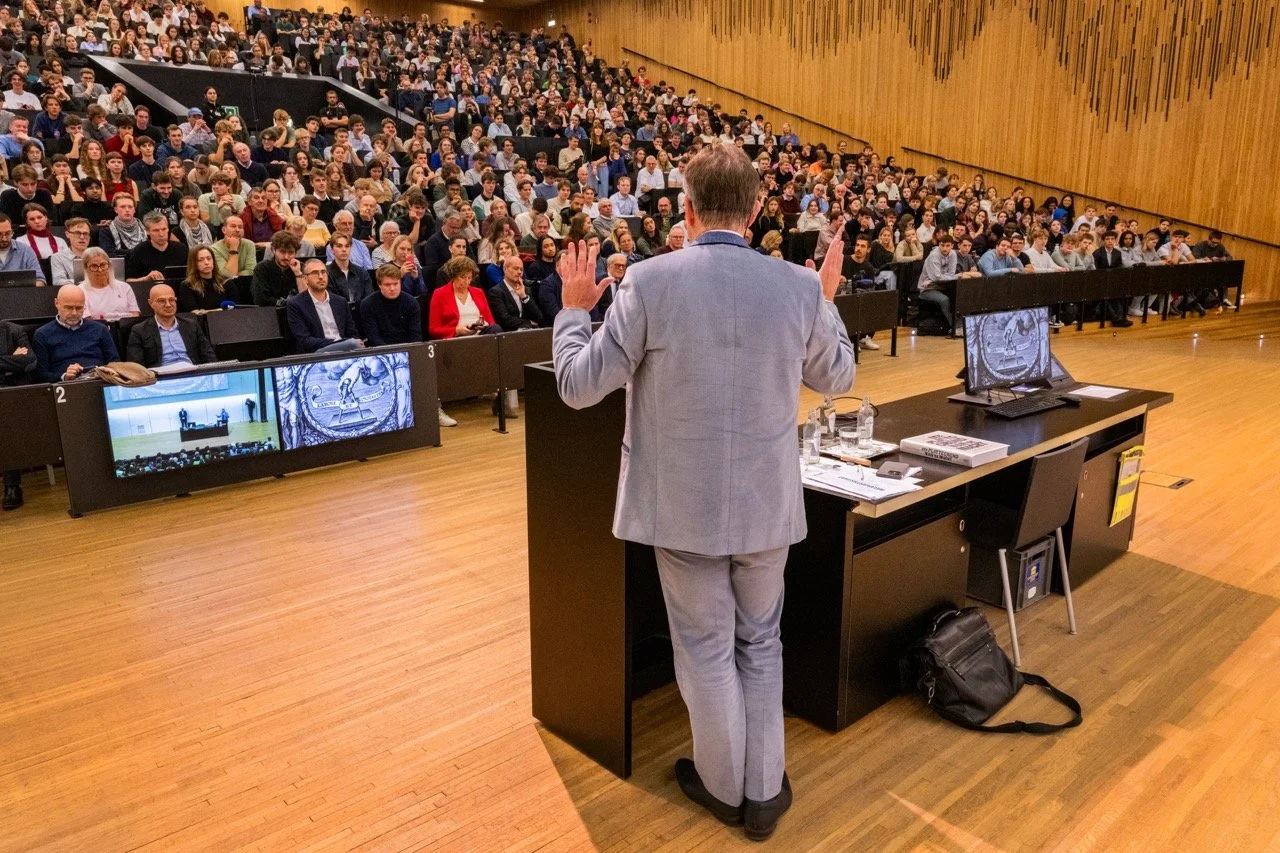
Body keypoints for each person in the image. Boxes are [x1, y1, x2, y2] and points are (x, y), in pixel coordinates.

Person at [550, 144, 855, 842]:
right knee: (762, 642)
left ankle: (725, 791)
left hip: (681, 511)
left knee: (708, 649)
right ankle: (764, 790)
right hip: (768, 507)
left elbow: (577, 386)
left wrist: (573, 311)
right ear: (755, 211)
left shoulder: (650, 282)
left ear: (685, 209)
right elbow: (837, 376)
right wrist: (827, 297)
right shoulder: (798, 286)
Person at [33, 284, 120, 382]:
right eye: (69, 308)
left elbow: (115, 364)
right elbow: (40, 374)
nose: (74, 313)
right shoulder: (43, 334)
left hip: (99, 381)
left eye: (79, 308)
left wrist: (102, 372)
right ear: (57, 303)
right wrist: (64, 376)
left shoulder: (100, 329)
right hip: (65, 386)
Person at [126, 283, 217, 367]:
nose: (168, 305)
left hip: (192, 374)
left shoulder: (191, 325)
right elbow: (136, 366)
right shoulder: (139, 331)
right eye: (162, 301)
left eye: (171, 300)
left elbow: (209, 356)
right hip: (161, 379)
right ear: (151, 303)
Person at [285, 257, 363, 353]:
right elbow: (304, 340)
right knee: (354, 344)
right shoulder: (295, 304)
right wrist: (337, 343)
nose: (321, 276)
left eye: (323, 272)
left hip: (345, 351)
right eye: (315, 273)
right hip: (318, 353)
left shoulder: (340, 301)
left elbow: (352, 333)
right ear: (305, 279)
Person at [1, 317, 35, 508]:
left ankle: (12, 486)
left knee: (7, 422)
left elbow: (29, 360)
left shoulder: (14, 330)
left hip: (10, 394)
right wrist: (10, 363)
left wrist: (15, 364)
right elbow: (18, 362)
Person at [428, 256, 498, 339]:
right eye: (463, 277)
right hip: (456, 339)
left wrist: (483, 325)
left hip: (480, 336)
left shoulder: (478, 292)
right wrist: (457, 330)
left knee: (496, 328)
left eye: (469, 278)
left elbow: (491, 321)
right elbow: (433, 330)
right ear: (453, 276)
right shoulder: (439, 294)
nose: (467, 282)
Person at [361, 263, 424, 347]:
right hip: (381, 351)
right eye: (387, 285)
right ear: (379, 284)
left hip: (408, 349)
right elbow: (373, 337)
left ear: (400, 282)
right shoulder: (368, 304)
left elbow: (415, 335)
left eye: (395, 284)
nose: (392, 288)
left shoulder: (411, 302)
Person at [125, 212, 188, 286]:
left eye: (164, 229)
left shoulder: (181, 249)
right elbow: (129, 281)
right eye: (156, 230)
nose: (161, 234)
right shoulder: (139, 251)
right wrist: (146, 278)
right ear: (147, 232)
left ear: (168, 229)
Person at [489, 255, 543, 331]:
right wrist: (528, 323)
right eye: (515, 268)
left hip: (528, 333)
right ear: (505, 269)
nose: (519, 272)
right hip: (508, 335)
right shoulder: (495, 292)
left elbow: (538, 317)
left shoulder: (526, 290)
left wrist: (524, 297)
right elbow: (503, 319)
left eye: (521, 269)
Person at [252, 231, 304, 306]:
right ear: (273, 250)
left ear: (295, 253)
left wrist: (298, 274)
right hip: (270, 312)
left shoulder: (300, 267)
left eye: (290, 252)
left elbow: (308, 298)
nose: (286, 257)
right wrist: (285, 303)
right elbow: (260, 299)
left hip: (296, 312)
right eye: (282, 252)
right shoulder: (262, 268)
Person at [178, 245, 231, 312]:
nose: (206, 263)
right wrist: (221, 310)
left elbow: (236, 309)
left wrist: (207, 312)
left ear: (213, 260)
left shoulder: (226, 282)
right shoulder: (187, 285)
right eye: (200, 260)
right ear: (194, 263)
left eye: (209, 258)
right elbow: (194, 313)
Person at [326, 233, 374, 304]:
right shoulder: (326, 273)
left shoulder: (362, 272)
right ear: (332, 250)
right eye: (339, 246)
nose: (344, 249)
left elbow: (369, 297)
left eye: (347, 246)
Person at [0, 214, 46, 283]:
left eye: (8, 233)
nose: (4, 238)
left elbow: (40, 280)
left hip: (22, 292)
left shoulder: (25, 250)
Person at [210, 215, 256, 283]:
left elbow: (251, 270)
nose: (237, 230)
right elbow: (227, 274)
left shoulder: (249, 245)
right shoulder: (214, 249)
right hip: (224, 286)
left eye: (240, 227)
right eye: (233, 226)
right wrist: (233, 249)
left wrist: (236, 275)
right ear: (224, 230)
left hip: (245, 283)